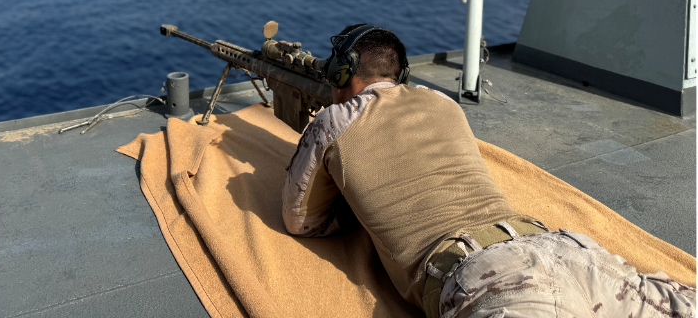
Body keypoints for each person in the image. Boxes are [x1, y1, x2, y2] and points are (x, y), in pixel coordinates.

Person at [282, 23, 696, 318]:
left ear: (342, 73)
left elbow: (301, 220)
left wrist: (357, 201)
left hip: (487, 279)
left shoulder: (333, 123)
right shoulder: (442, 102)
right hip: (566, 249)